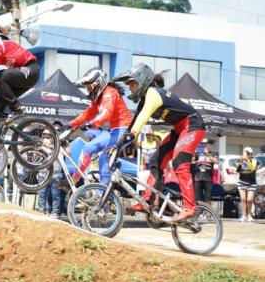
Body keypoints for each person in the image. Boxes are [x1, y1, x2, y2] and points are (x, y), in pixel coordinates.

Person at [113, 63, 206, 222]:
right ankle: (147, 202)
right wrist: (117, 145)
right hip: (179, 128)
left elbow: (142, 120)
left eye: (132, 84)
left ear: (142, 81)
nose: (130, 88)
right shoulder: (144, 99)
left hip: (193, 124)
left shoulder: (153, 94)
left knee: (179, 162)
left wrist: (133, 134)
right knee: (156, 160)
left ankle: (190, 207)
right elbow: (132, 124)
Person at [68, 67, 133, 185]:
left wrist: (91, 124)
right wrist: (71, 124)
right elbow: (87, 114)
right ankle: (74, 180)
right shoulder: (99, 98)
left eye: (88, 86)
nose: (87, 90)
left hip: (124, 129)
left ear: (98, 83)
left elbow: (105, 114)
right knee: (88, 148)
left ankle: (102, 194)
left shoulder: (110, 93)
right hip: (113, 130)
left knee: (104, 157)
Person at [237, 147, 260, 222]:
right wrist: (240, 162)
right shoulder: (241, 160)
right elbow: (237, 170)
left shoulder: (254, 161)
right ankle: (244, 215)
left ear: (251, 154)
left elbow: (252, 169)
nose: (247, 155)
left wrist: (247, 161)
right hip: (242, 181)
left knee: (250, 199)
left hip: (251, 182)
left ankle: (249, 214)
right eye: (245, 153)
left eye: (248, 153)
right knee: (243, 199)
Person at [193, 141, 217, 206]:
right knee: (197, 197)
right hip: (198, 178)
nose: (207, 147)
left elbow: (215, 161)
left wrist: (208, 154)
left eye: (207, 146)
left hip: (208, 179)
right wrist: (194, 152)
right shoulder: (197, 153)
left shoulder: (213, 153)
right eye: (205, 146)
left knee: (208, 197)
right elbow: (191, 161)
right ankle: (197, 212)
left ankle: (208, 214)